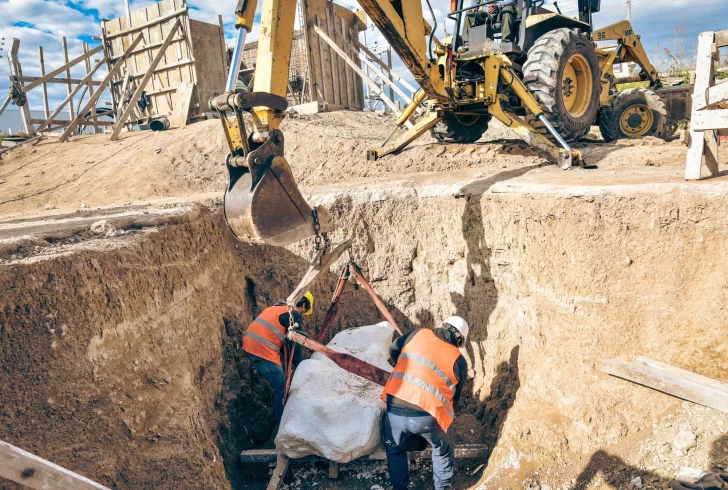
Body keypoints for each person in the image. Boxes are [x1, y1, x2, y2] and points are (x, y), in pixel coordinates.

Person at [381, 316, 470, 490]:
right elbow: (454, 400)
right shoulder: (459, 360)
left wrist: (401, 364)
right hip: (428, 417)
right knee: (442, 450)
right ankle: (441, 487)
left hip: (395, 409)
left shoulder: (417, 334)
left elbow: (393, 349)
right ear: (459, 339)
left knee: (395, 450)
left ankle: (400, 488)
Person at [242, 291, 314, 422]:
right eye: (304, 312)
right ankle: (283, 424)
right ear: (303, 305)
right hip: (262, 350)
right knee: (281, 387)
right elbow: (295, 347)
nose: (302, 315)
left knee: (280, 383)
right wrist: (304, 367)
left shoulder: (276, 308)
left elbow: (280, 341)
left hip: (249, 344)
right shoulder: (294, 314)